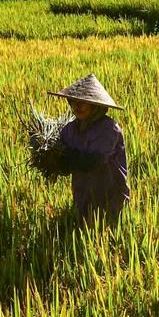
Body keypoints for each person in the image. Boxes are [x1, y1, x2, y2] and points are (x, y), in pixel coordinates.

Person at [47, 74, 129, 224]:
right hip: (82, 198)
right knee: (82, 232)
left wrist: (63, 155)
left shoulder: (108, 129)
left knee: (105, 235)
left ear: (96, 105)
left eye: (84, 102)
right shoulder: (69, 130)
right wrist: (51, 158)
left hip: (110, 198)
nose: (78, 106)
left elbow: (93, 162)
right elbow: (66, 168)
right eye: (74, 102)